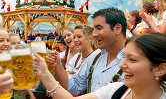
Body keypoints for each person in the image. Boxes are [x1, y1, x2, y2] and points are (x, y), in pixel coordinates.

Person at [34, 32, 166, 99]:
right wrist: (45, 73)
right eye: (124, 57)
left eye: (132, 59)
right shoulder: (118, 90)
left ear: (160, 69)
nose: (121, 65)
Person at [48, 7, 127, 94]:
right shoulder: (95, 57)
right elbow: (74, 86)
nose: (94, 34)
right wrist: (58, 65)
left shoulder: (134, 60)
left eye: (99, 28)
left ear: (117, 29)